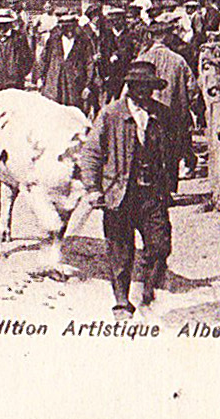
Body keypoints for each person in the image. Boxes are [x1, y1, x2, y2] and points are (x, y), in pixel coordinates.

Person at [78, 60, 177, 316]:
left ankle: (148, 288)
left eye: (149, 88)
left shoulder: (163, 114)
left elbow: (172, 149)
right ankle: (122, 302)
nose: (145, 93)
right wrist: (93, 188)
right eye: (139, 87)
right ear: (130, 87)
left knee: (160, 245)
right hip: (119, 193)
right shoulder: (111, 114)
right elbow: (91, 153)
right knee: (120, 252)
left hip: (152, 193)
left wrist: (169, 181)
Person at [136, 20, 200, 178]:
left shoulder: (142, 59)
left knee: (151, 152)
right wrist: (192, 109)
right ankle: (169, 188)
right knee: (171, 151)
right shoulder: (178, 61)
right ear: (166, 37)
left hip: (148, 115)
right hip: (174, 114)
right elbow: (193, 89)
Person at [36, 13, 94, 109]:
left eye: (70, 27)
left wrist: (88, 85)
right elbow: (44, 59)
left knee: (73, 112)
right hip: (54, 82)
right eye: (65, 27)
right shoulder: (53, 40)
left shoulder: (83, 41)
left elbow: (89, 63)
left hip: (74, 83)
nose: (68, 30)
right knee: (53, 109)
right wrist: (39, 77)